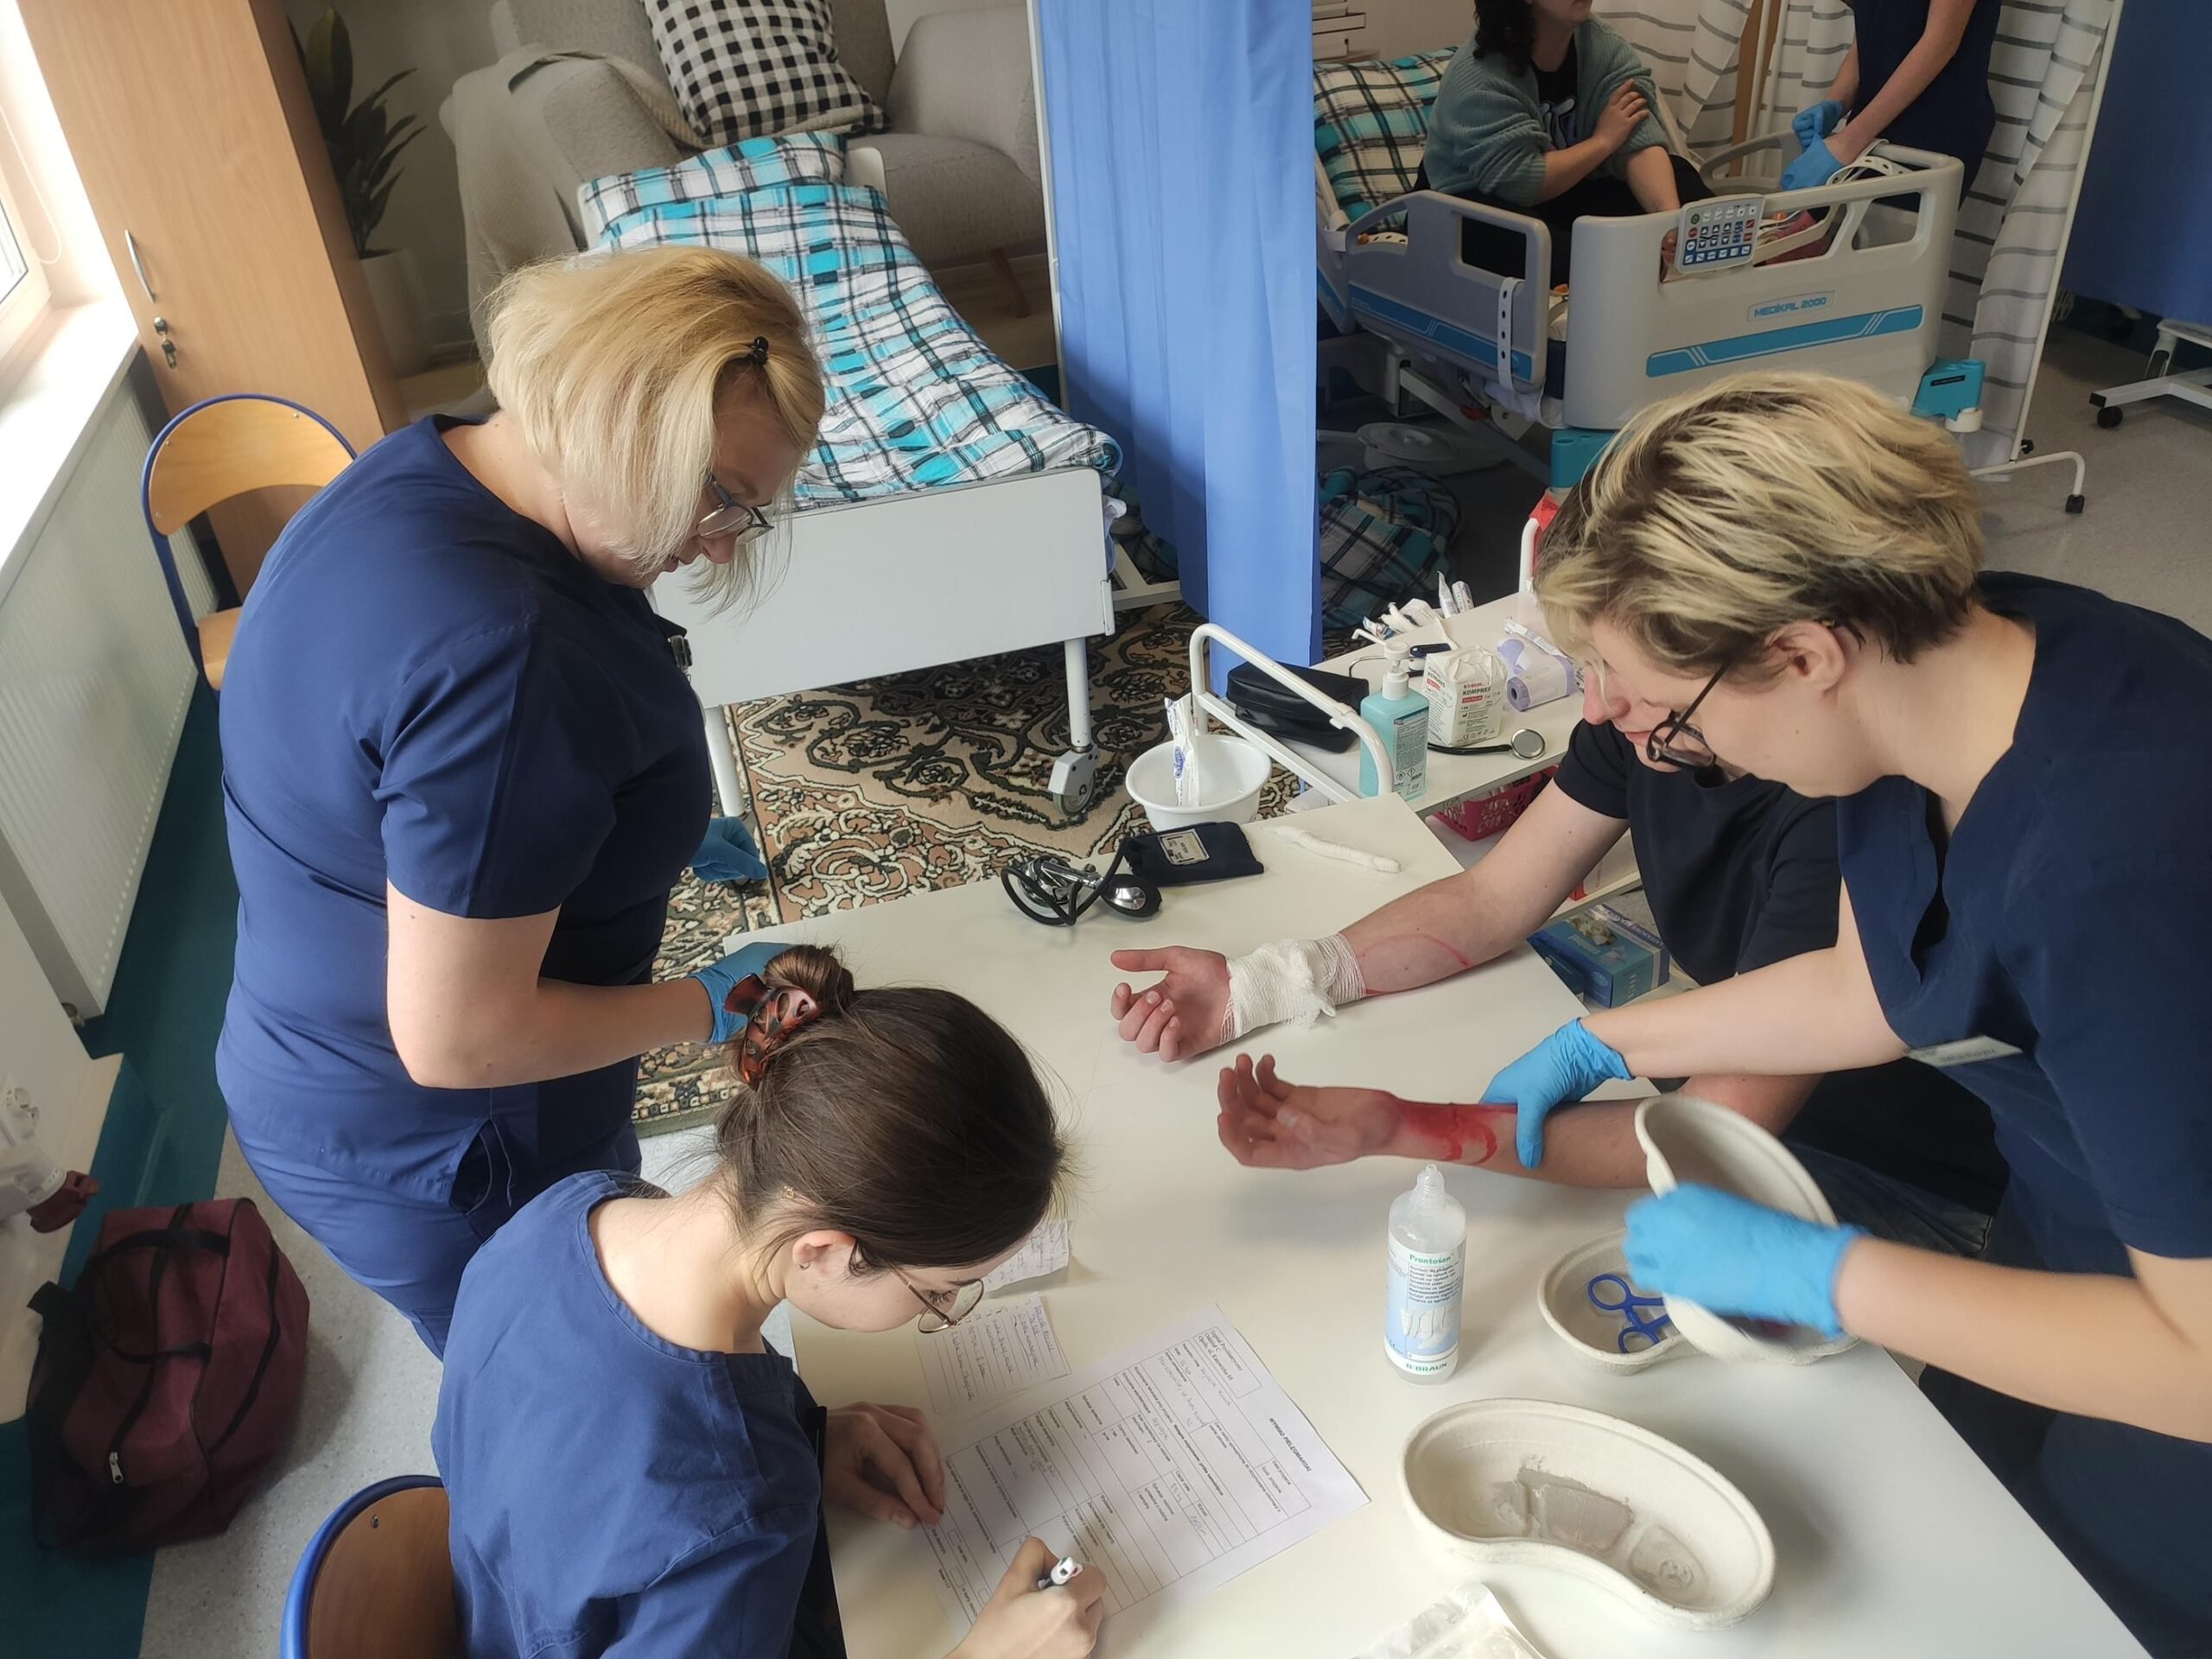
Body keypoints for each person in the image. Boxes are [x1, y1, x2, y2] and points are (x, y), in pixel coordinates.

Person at [1478, 372, 2212, 1655]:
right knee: (1965, 1505)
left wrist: (1826, 1276)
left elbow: (2195, 1365)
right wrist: (1612, 1039)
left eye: (1655, 702)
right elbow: (1876, 984)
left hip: (2181, 1335)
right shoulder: (1930, 690)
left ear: (1803, 654)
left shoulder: (2112, 868)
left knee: (2074, 1602)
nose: (1613, 720)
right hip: (2078, 1209)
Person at [216, 245, 823, 1353]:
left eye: (748, 513)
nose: (712, 544)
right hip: (448, 1142)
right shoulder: (513, 658)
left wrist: (640, 831)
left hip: (304, 1053)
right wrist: (711, 1004)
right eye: (716, 495)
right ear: (617, 420)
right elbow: (458, 1039)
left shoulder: (433, 464)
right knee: (575, 1383)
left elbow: (403, 779)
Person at [1110, 645, 2001, 1258]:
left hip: (1894, 1168)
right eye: (1590, 663)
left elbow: (1717, 1127)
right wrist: (1263, 984)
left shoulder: (1834, 802)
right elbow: (1492, 899)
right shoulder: (1652, 720)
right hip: (1739, 1102)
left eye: (1629, 675)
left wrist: (1407, 1127)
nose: (1600, 706)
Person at [435, 944, 1103, 1659]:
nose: (935, 1310)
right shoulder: (744, 1510)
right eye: (938, 1292)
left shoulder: (567, 1208)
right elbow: (683, 1488)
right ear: (826, 1251)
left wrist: (808, 1435)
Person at [1419, 0, 1713, 285]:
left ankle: (1701, 264)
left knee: (1679, 177)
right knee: (1532, 240)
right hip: (1471, 203)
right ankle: (1621, 275)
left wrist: (1670, 220)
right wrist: (1603, 141)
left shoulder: (1599, 43)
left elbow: (1638, 132)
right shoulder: (1479, 76)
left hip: (1565, 185)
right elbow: (1521, 181)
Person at [1784, 0, 2004, 190]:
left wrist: (1848, 142)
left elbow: (1940, 42)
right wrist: (1836, 102)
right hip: (1871, 128)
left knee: (1881, 226)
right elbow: (1872, 33)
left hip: (1934, 129)